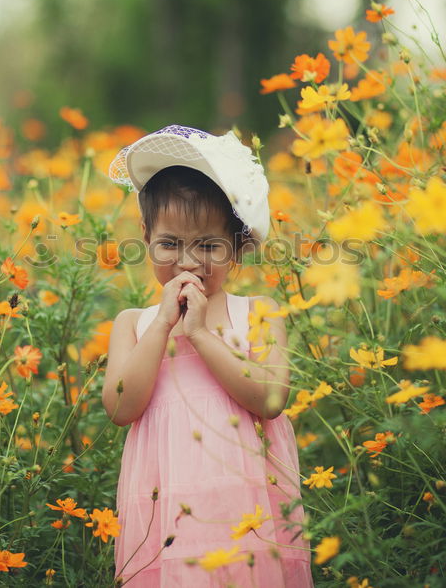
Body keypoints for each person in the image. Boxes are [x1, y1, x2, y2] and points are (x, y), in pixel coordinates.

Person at [103, 125, 313, 586]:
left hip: (246, 509)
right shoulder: (133, 324)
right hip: (164, 515)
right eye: (170, 244)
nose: (188, 262)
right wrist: (162, 325)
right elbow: (121, 407)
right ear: (145, 235)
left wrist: (199, 333)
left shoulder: (258, 312)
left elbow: (271, 400)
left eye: (210, 246)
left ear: (237, 245)